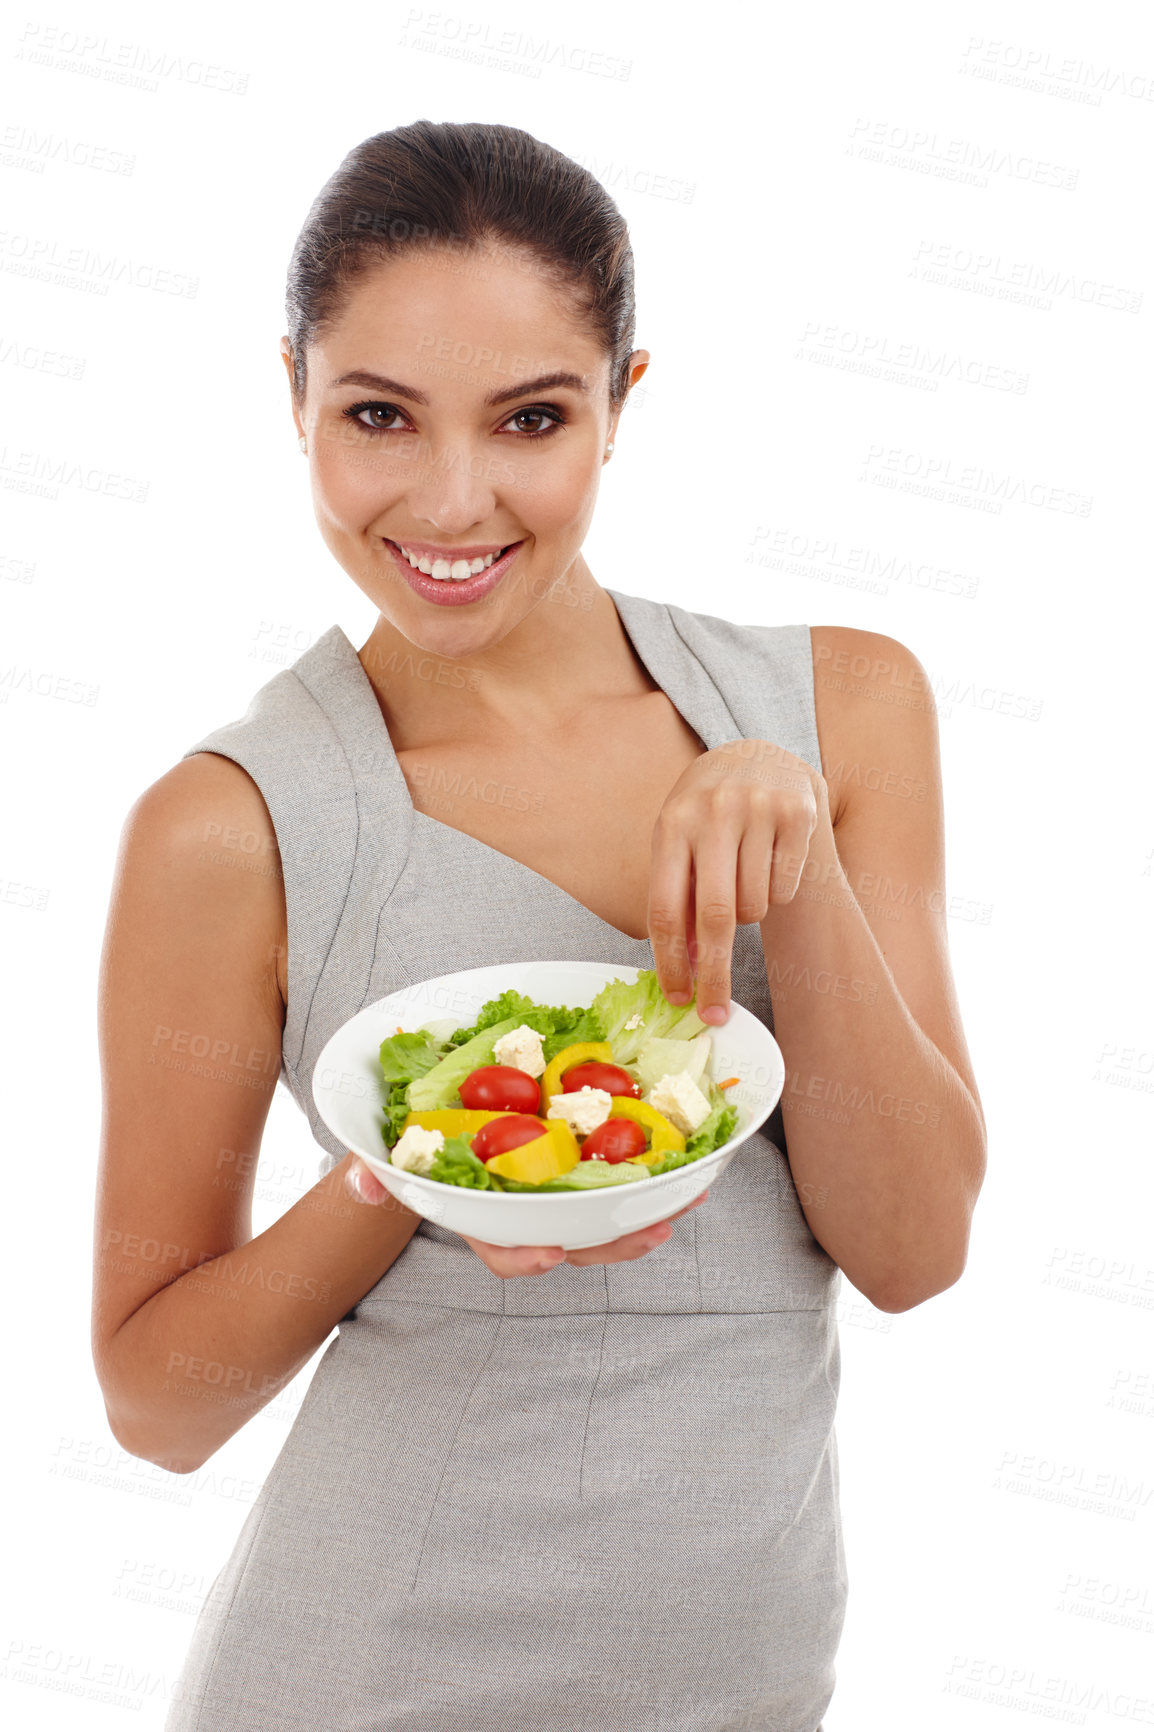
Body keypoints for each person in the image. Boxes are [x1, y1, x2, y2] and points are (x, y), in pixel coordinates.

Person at [92, 121, 986, 1732]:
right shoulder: (231, 823)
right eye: (377, 415)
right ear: (291, 393)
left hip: (743, 1675)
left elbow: (913, 1252)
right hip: (364, 1666)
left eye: (529, 419)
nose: (452, 498)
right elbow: (156, 1409)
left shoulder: (842, 707)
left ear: (623, 403)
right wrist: (401, 1176)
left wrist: (796, 858)